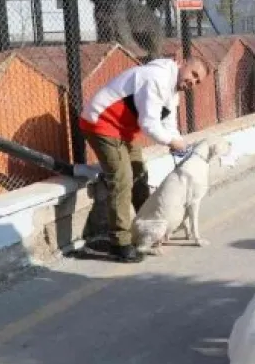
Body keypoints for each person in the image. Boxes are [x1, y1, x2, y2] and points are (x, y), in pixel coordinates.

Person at [79, 55, 209, 263]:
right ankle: (119, 243)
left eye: (197, 82)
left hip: (124, 130)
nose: (192, 82)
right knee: (122, 178)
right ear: (183, 63)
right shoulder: (157, 78)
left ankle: (149, 226)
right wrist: (171, 142)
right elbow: (149, 123)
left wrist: (177, 141)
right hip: (101, 122)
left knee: (140, 174)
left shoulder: (172, 90)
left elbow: (168, 123)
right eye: (193, 74)